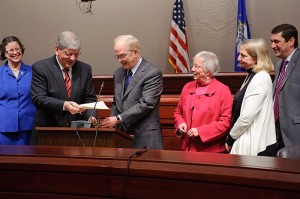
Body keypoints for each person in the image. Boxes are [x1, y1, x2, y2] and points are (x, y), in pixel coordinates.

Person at [100, 35, 163, 150]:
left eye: (122, 56)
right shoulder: (118, 73)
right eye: (117, 57)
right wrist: (112, 121)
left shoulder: (152, 73)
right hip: (122, 136)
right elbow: (117, 102)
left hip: (145, 137)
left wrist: (118, 118)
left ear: (135, 52)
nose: (120, 60)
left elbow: (146, 104)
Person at [31, 31, 97, 127]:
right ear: (57, 49)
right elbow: (39, 98)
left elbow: (90, 98)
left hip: (76, 130)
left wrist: (91, 116)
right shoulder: (41, 68)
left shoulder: (85, 69)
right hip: (48, 129)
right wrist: (64, 105)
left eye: (76, 54)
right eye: (69, 54)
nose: (73, 58)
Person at [225, 38, 277, 156]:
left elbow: (247, 116)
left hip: (255, 141)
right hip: (247, 137)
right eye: (239, 54)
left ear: (256, 57)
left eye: (243, 56)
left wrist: (230, 138)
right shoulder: (251, 75)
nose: (238, 59)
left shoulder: (261, 78)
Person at [174, 51, 232, 152]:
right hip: (186, 149)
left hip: (210, 152)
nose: (192, 69)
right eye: (193, 66)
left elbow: (225, 122)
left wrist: (200, 131)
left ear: (208, 71)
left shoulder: (223, 90)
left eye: (197, 66)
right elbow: (178, 112)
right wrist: (180, 123)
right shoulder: (187, 87)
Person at [0, 36, 35, 145]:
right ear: (4, 53)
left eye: (17, 49)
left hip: (28, 127)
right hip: (4, 128)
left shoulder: (33, 72)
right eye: (11, 50)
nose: (15, 52)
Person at [270, 24, 300, 149]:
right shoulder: (279, 64)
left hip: (296, 133)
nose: (272, 46)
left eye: (277, 41)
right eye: (271, 42)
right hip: (277, 131)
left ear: (291, 41)